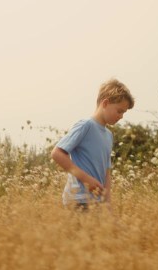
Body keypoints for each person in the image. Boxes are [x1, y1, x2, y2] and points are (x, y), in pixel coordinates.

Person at [50, 79, 134, 210]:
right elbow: (57, 154)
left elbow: (106, 172)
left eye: (124, 113)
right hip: (77, 200)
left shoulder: (109, 135)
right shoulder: (86, 125)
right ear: (105, 103)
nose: (121, 116)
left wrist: (107, 205)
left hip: (97, 202)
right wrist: (86, 179)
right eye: (119, 111)